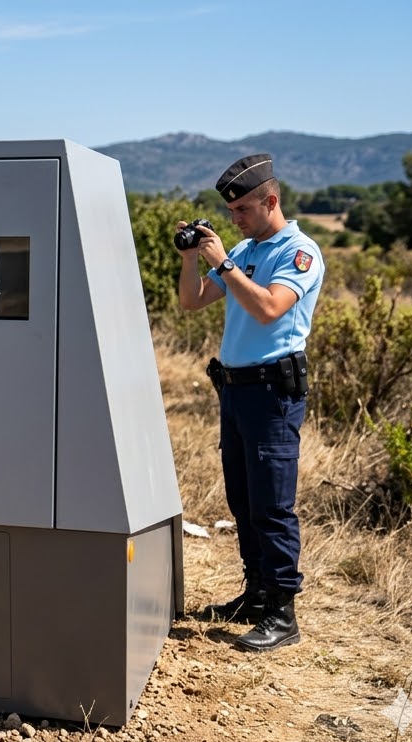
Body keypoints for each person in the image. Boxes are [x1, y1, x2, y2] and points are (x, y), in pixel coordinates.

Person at [176, 154, 325, 652]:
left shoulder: (298, 252)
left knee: (272, 505)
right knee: (243, 499)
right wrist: (193, 256)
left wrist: (225, 262)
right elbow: (192, 301)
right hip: (235, 389)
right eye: (231, 210)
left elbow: (268, 308)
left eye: (242, 209)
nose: (235, 218)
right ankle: (256, 594)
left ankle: (284, 613)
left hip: (271, 392)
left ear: (271, 201)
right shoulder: (244, 249)